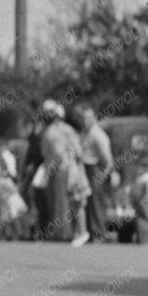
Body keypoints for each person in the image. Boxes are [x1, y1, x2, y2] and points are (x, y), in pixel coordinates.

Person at [35, 100, 86, 243]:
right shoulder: (47, 129)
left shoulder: (65, 129)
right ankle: (58, 232)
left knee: (62, 201)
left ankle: (64, 233)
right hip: (51, 168)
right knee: (55, 201)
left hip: (62, 168)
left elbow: (76, 150)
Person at [73, 105, 116, 245]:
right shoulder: (85, 133)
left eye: (86, 118)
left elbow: (107, 160)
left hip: (94, 170)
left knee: (96, 203)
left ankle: (99, 232)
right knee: (87, 203)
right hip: (84, 170)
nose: (83, 121)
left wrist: (103, 175)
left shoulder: (98, 135)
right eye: (82, 118)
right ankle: (91, 232)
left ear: (93, 119)